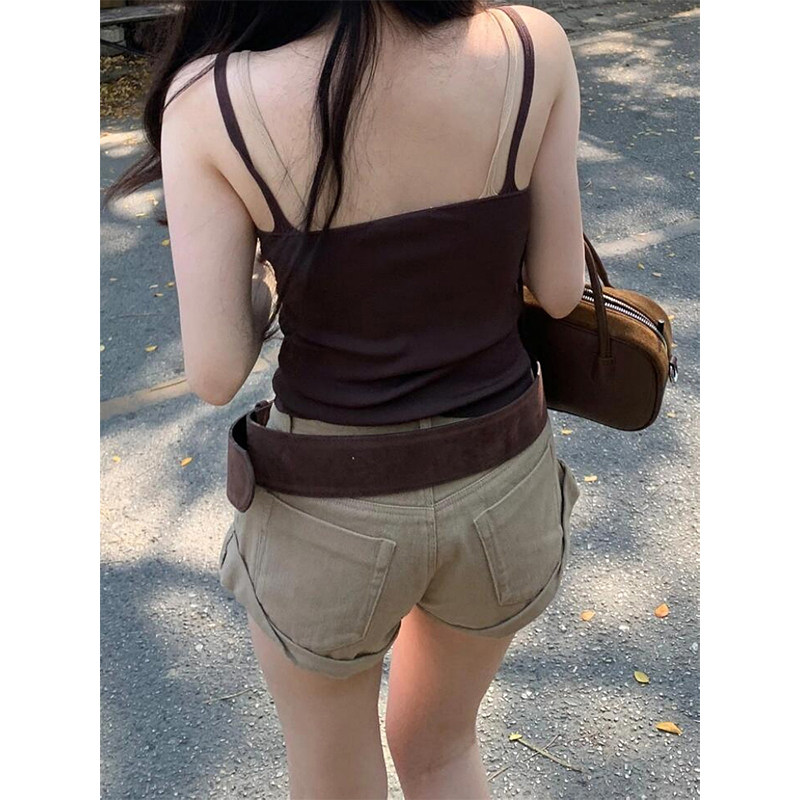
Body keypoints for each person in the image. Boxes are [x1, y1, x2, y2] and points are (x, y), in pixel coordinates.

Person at [104, 1, 585, 797]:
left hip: (329, 500)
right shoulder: (532, 45)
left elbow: (216, 372)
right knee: (442, 747)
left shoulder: (212, 99)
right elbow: (561, 289)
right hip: (504, 479)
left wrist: (271, 278)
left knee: (334, 775)